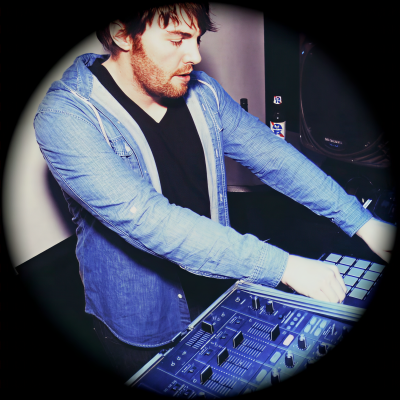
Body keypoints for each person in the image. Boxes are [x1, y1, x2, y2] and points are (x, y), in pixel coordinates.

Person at [33, 2, 396, 382]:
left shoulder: (203, 92)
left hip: (220, 285)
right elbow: (150, 220)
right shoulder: (65, 118)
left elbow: (274, 157)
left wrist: (363, 223)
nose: (195, 55)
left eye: (198, 38)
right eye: (177, 39)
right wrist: (284, 266)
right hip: (142, 321)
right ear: (121, 33)